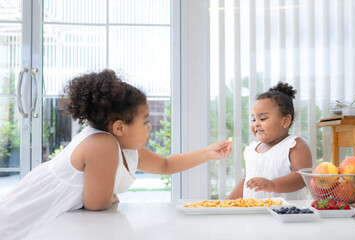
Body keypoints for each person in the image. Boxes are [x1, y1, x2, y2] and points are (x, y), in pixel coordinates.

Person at [0, 69, 232, 240]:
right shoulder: (101, 144)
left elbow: (165, 165)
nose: (150, 127)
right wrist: (108, 198)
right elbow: (96, 204)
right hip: (15, 223)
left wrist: (207, 153)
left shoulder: (123, 147)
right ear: (120, 128)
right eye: (145, 121)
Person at [228, 82, 312, 200]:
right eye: (253, 119)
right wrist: (226, 203)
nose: (256, 123)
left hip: (284, 214)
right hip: (254, 214)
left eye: (262, 118)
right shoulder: (252, 150)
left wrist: (273, 185)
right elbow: (244, 182)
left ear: (285, 121)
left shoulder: (294, 145)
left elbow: (302, 178)